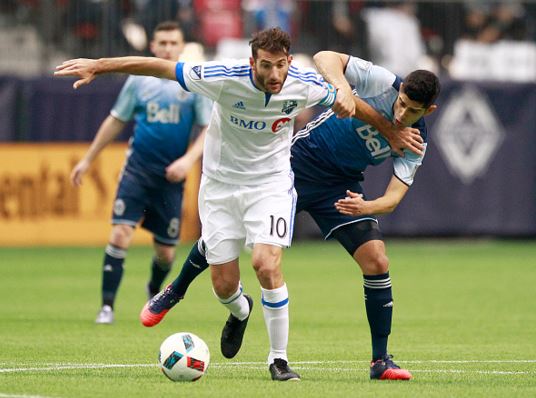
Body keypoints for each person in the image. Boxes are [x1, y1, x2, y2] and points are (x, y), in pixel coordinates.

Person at [55, 27, 423, 381]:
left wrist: (378, 122)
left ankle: (279, 359)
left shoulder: (303, 83)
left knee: (266, 263)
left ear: (289, 62)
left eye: (281, 65)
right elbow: (162, 68)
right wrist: (100, 65)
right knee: (224, 285)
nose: (275, 73)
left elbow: (350, 104)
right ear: (252, 62)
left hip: (272, 184)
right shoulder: (222, 76)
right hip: (220, 186)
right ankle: (239, 310)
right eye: (266, 65)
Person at [137, 50, 440, 381]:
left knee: (377, 261)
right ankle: (176, 290)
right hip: (295, 164)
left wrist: (367, 207)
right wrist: (342, 88)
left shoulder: (417, 140)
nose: (401, 113)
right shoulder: (382, 81)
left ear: (429, 111)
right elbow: (326, 57)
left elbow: (393, 198)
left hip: (339, 187)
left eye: (412, 111)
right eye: (401, 103)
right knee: (227, 233)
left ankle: (380, 362)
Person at [68, 21, 211, 325]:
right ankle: (107, 306)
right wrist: (88, 159)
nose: (168, 48)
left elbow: (209, 129)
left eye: (174, 43)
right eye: (163, 43)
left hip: (172, 178)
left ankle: (154, 293)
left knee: (165, 254)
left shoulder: (191, 83)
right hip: (137, 170)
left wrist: (188, 161)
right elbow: (116, 120)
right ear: (153, 47)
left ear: (182, 46)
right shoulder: (138, 81)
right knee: (120, 233)